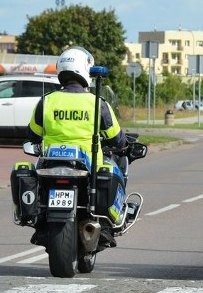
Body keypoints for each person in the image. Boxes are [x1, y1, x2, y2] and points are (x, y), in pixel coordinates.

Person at [27, 46, 137, 245]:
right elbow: (115, 138)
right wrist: (124, 146)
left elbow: (32, 134)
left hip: (50, 165)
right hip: (87, 165)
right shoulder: (97, 103)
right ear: (86, 70)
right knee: (111, 171)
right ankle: (105, 224)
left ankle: (41, 221)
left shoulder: (47, 101)